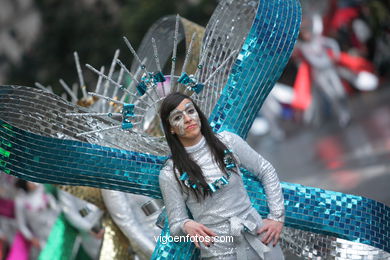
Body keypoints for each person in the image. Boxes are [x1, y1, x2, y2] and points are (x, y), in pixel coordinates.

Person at [158, 92, 285, 259]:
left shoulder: (228, 142)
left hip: (260, 239)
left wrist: (277, 217)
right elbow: (175, 225)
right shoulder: (170, 173)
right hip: (219, 253)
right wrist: (186, 224)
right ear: (171, 129)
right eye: (177, 118)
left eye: (190, 111)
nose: (188, 119)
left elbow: (265, 170)